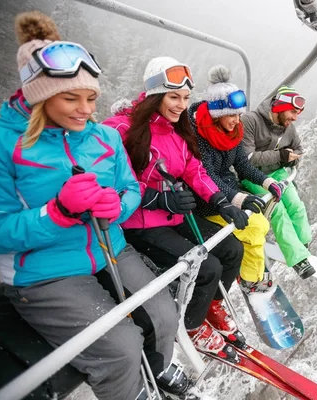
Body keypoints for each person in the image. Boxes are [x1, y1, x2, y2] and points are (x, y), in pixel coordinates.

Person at [0, 12, 191, 400]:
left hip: (110, 249)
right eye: (70, 98)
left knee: (164, 314)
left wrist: (119, 206)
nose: (85, 110)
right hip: (45, 273)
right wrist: (57, 213)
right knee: (121, 350)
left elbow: (129, 188)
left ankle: (158, 371)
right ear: (39, 96)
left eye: (92, 98)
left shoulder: (102, 139)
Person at [103, 57, 248, 361]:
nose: (181, 105)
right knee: (206, 267)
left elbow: (195, 170)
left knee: (232, 249)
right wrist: (157, 198)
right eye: (173, 97)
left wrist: (221, 201)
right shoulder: (121, 129)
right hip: (140, 223)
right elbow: (112, 182)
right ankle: (192, 325)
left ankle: (209, 304)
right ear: (155, 95)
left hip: (174, 214)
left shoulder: (176, 130)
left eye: (185, 98)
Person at [189, 65, 285, 293]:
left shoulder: (232, 133)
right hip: (207, 201)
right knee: (256, 227)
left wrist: (267, 182)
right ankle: (251, 279)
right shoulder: (199, 137)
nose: (236, 120)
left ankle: (250, 266)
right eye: (231, 115)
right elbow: (207, 176)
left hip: (228, 191)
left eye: (239, 114)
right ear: (217, 114)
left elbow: (241, 164)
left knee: (260, 220)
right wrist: (237, 198)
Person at [241, 86, 316, 279]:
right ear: (280, 106)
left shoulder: (288, 129)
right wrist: (279, 155)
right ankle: (298, 259)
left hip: (278, 172)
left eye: (297, 113)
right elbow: (247, 157)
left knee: (296, 206)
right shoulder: (251, 121)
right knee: (278, 210)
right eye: (293, 112)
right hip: (252, 175)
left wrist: (289, 159)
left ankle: (302, 244)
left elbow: (298, 150)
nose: (295, 118)